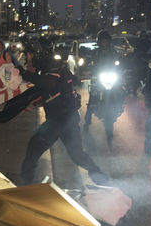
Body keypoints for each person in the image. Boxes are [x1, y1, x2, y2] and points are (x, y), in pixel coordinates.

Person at [17, 37, 109, 185]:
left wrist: (25, 74)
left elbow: (49, 83)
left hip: (60, 118)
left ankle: (25, 178)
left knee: (35, 145)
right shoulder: (51, 66)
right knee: (76, 154)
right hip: (67, 116)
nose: (28, 58)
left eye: (29, 54)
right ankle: (100, 177)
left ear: (39, 54)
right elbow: (60, 86)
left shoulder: (52, 66)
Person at [83, 29, 121, 133]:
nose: (104, 43)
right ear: (99, 42)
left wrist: (121, 66)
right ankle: (87, 120)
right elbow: (89, 62)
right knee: (92, 98)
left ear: (109, 41)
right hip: (98, 77)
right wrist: (89, 67)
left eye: (106, 40)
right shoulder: (95, 53)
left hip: (112, 75)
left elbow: (120, 61)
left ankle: (119, 105)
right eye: (102, 41)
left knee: (121, 89)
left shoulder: (114, 52)